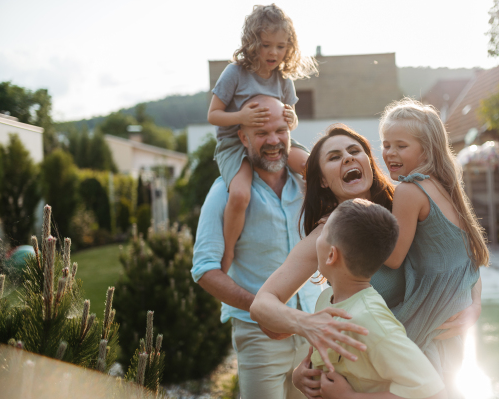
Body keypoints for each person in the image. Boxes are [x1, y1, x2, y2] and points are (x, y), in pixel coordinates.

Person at [249, 124, 482, 398]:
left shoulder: (407, 201)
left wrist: (474, 303)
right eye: (334, 157)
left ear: (369, 163)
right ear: (322, 180)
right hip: (379, 381)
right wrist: (309, 344)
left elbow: (461, 250)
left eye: (354, 150)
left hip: (439, 360)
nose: (347, 157)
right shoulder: (327, 235)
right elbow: (262, 304)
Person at [193, 95, 321, 399]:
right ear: (243, 137)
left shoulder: (308, 186)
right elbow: (204, 270)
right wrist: (264, 310)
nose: (274, 140)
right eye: (262, 133)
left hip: (312, 328)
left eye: (280, 131)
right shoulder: (224, 191)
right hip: (259, 335)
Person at [378, 98, 489, 395]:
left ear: (426, 149)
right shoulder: (445, 187)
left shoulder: (409, 190)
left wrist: (356, 229)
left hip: (429, 312)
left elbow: (393, 258)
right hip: (450, 311)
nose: (390, 153)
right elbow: (469, 260)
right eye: (386, 144)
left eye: (401, 145)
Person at [207, 4, 317, 272]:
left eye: (281, 47)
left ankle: (322, 229)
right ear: (252, 43)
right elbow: (213, 115)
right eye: (266, 45)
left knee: (313, 167)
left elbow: (292, 117)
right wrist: (241, 118)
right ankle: (229, 251)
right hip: (234, 144)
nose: (273, 53)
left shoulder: (283, 79)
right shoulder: (235, 73)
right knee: (241, 194)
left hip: (273, 142)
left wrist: (292, 120)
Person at [309, 198, 446, 399]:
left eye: (322, 233)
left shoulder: (370, 320)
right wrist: (301, 376)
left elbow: (434, 392)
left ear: (331, 255)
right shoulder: (325, 299)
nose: (316, 238)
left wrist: (349, 397)